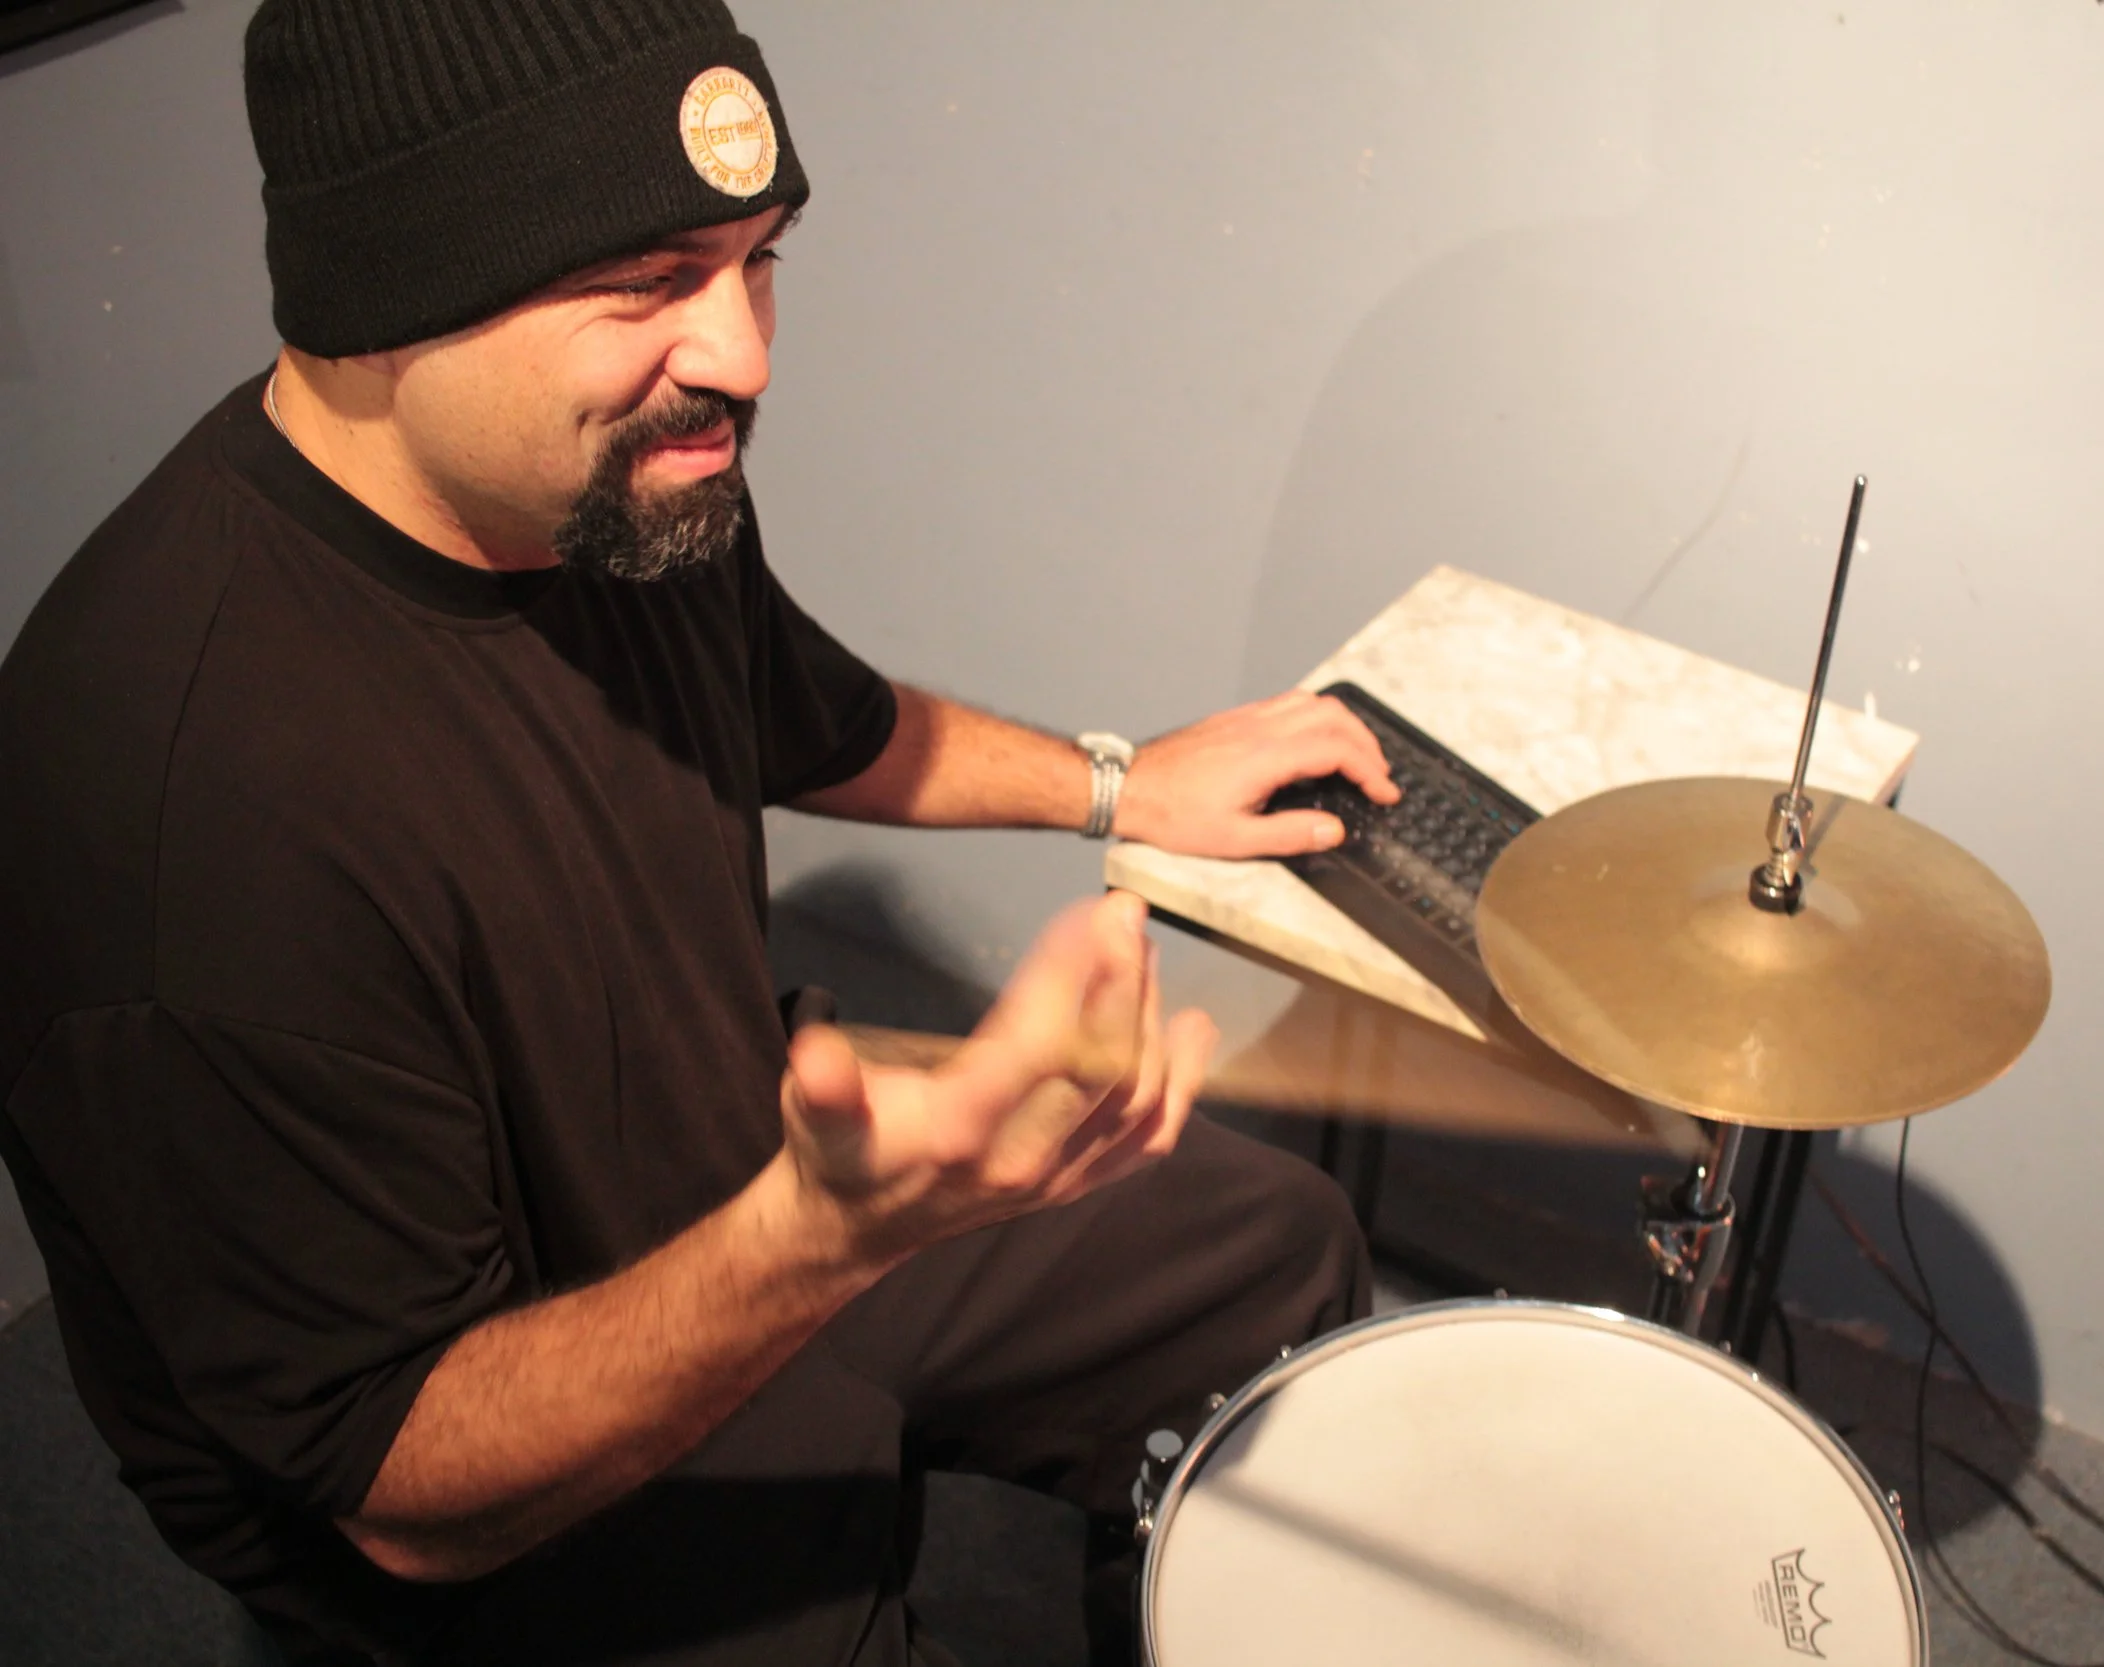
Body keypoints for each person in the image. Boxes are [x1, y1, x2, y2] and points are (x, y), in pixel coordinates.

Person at [0, 2, 1402, 1662]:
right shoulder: (186, 809)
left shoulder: (606, 479)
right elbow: (399, 1483)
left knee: (1274, 1257)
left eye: (760, 260)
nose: (740, 351)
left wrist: (1122, 782)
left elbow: (813, 713)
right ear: (386, 298)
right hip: (493, 1464)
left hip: (749, 1167)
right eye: (651, 280)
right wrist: (819, 1240)